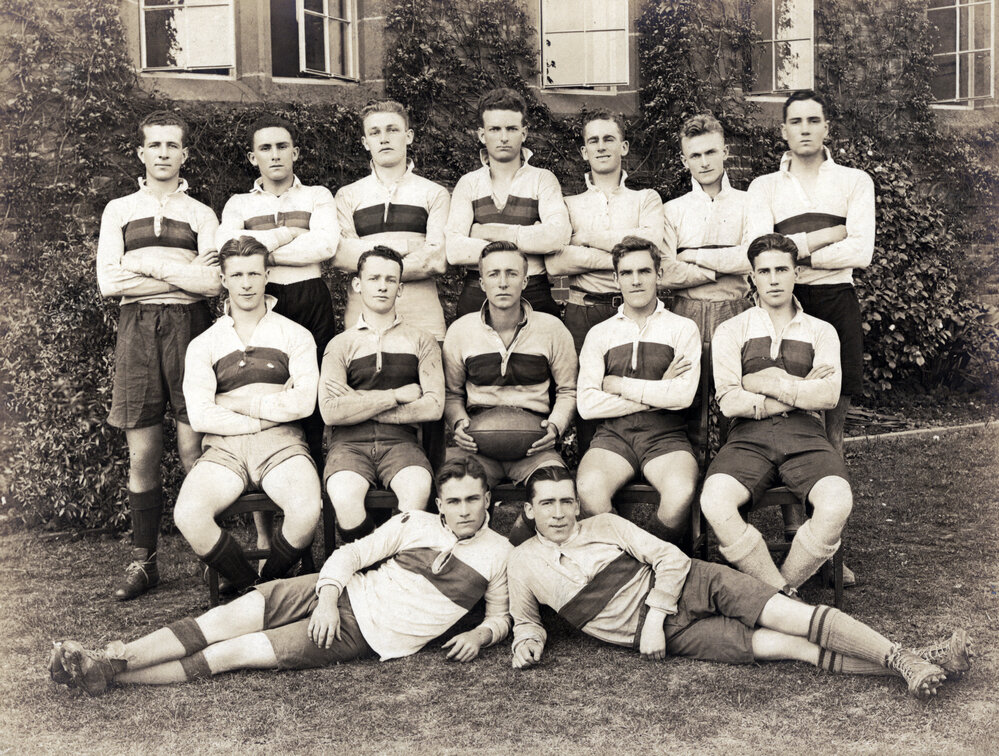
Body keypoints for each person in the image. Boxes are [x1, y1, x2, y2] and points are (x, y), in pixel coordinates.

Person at [48, 458, 512, 697]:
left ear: (488, 500)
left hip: (365, 633)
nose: (464, 510)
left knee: (234, 652)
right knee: (223, 620)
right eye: (454, 501)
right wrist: (328, 597)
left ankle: (107, 675)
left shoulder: (501, 554)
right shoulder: (415, 523)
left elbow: (502, 616)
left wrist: (482, 635)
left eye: (473, 499)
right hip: (329, 594)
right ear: (440, 504)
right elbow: (349, 556)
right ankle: (112, 658)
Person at [507, 466, 972, 700]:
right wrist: (525, 643)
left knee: (798, 618)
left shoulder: (605, 525)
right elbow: (527, 621)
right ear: (529, 510)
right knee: (790, 647)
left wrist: (654, 615)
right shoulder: (522, 564)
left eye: (566, 502)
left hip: (691, 584)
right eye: (547, 504)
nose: (559, 513)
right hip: (675, 636)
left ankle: (900, 658)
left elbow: (669, 557)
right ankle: (921, 660)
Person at [96, 110, 222, 601]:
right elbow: (110, 281)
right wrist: (178, 270)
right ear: (142, 153)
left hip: (190, 330)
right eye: (156, 145)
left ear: (184, 154)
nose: (164, 153)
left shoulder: (201, 214)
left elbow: (211, 283)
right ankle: (144, 563)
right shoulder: (119, 209)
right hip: (137, 329)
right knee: (143, 453)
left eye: (173, 145)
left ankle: (210, 556)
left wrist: (142, 264)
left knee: (195, 449)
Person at [699, 233, 851, 592]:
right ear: (752, 277)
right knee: (715, 501)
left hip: (806, 437)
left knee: (837, 501)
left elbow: (828, 396)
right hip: (747, 437)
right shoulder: (731, 330)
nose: (773, 279)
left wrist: (762, 380)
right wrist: (798, 389)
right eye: (763, 271)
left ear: (796, 273)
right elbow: (730, 401)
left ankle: (783, 588)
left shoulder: (821, 331)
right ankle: (780, 593)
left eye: (781, 269)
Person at [175, 236, 321, 592]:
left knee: (306, 510)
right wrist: (263, 416)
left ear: (267, 274)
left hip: (282, 443)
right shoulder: (204, 344)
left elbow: (303, 403)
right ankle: (246, 587)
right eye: (237, 274)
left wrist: (236, 404)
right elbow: (201, 415)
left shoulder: (295, 334)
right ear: (223, 280)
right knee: (189, 514)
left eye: (254, 273)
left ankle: (269, 584)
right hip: (224, 448)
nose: (246, 283)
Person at [743, 90, 875, 457]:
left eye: (813, 121)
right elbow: (758, 250)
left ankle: (832, 499)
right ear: (783, 130)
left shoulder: (855, 181)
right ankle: (792, 503)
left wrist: (794, 254)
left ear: (826, 128)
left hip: (837, 299)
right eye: (796, 122)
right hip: (784, 303)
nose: (805, 129)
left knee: (833, 422)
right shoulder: (764, 186)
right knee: (788, 405)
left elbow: (861, 251)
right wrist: (833, 233)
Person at [216, 115, 339, 467]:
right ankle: (268, 470)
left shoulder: (317, 195)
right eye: (265, 148)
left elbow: (325, 246)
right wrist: (290, 235)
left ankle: (313, 475)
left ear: (295, 152)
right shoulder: (239, 203)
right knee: (263, 383)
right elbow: (225, 245)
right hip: (262, 299)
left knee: (312, 386)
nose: (275, 155)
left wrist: (254, 252)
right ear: (253, 157)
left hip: (310, 295)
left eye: (282, 146)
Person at [443, 242, 577, 544]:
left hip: (534, 443)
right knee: (452, 490)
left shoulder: (552, 329)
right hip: (477, 442)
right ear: (482, 282)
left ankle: (516, 551)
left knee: (558, 495)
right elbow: (452, 394)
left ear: (525, 281)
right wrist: (458, 423)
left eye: (511, 273)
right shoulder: (461, 331)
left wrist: (554, 427)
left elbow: (568, 390)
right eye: (494, 274)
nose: (502, 282)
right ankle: (469, 568)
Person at [575, 237, 701, 550]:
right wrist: (658, 392)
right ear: (616, 278)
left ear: (659, 274)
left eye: (644, 271)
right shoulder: (600, 333)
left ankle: (641, 560)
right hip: (613, 438)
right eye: (627, 273)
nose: (636, 280)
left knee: (680, 492)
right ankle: (635, 563)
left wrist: (618, 385)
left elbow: (683, 396)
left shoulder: (683, 328)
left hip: (666, 435)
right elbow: (588, 405)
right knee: (589, 489)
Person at [320, 246, 444, 543]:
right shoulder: (340, 344)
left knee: (416, 490)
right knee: (345, 494)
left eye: (390, 280)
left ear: (400, 289)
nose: (382, 285)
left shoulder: (422, 340)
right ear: (358, 284)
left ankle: (395, 572)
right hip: (348, 445)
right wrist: (395, 395)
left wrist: (358, 400)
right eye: (374, 278)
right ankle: (367, 570)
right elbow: (330, 411)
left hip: (401, 443)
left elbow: (434, 406)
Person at [445, 87, 570, 318]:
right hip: (478, 290)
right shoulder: (469, 183)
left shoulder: (542, 179)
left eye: (511, 129)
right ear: (482, 135)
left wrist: (488, 232)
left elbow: (557, 236)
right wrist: (529, 239)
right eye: (495, 129)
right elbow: (454, 250)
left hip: (532, 290)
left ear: (523, 133)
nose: (503, 137)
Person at [546, 110, 665, 354]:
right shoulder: (567, 204)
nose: (601, 147)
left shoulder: (646, 199)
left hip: (636, 310)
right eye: (593, 140)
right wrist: (628, 257)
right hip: (582, 312)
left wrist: (587, 240)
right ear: (584, 151)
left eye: (609, 139)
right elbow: (556, 264)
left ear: (624, 147)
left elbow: (652, 244)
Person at [334, 100, 449, 342]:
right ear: (366, 142)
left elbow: (436, 260)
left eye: (392, 130)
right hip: (361, 320)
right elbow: (342, 255)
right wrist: (410, 248)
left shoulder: (434, 193)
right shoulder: (348, 194)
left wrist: (372, 267)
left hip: (423, 320)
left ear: (408, 136)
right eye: (374, 133)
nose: (383, 138)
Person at [662, 113, 751, 347]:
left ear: (725, 151)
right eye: (695, 155)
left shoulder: (750, 202)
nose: (704, 162)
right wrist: (722, 269)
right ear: (684, 160)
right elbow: (665, 273)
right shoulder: (672, 210)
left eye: (710, 152)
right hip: (684, 314)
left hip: (737, 310)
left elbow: (753, 258)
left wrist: (690, 257)